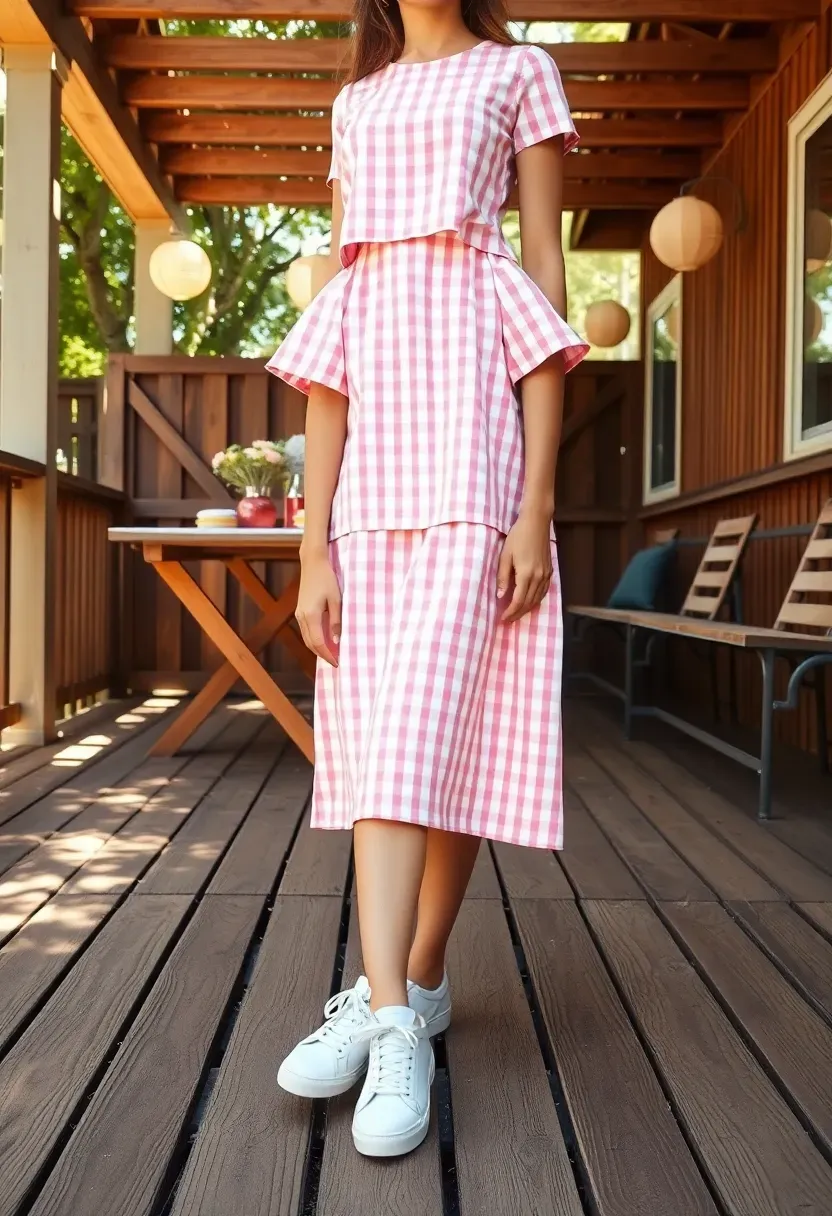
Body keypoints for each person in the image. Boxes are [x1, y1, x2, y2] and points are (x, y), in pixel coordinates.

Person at [266, 0, 588, 1161]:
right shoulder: (356, 101)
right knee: (393, 738)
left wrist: (535, 505)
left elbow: (543, 288)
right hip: (369, 479)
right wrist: (311, 546)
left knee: (430, 737)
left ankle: (387, 1010)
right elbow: (333, 335)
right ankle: (411, 984)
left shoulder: (520, 72)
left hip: (473, 462)